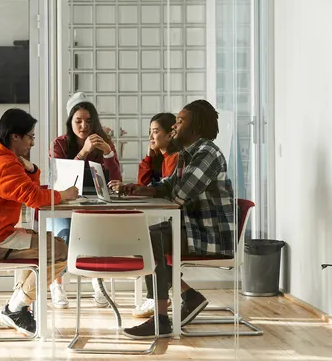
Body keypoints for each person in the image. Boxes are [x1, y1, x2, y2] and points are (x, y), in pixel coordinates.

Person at [110, 99, 236, 338]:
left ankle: (161, 319)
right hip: (191, 227)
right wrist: (137, 189)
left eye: (179, 122)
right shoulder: (190, 154)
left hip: (208, 234)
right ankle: (187, 298)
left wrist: (158, 190)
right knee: (146, 239)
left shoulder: (207, 154)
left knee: (148, 241)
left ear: (195, 128)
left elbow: (180, 195)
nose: (175, 127)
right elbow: (168, 185)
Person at [0, 108, 79, 336]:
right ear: (15, 136)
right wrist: (64, 195)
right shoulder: (5, 166)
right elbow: (34, 199)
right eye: (30, 136)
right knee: (62, 251)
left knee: (48, 245)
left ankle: (16, 306)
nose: (32, 143)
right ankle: (15, 308)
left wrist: (32, 169)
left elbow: (28, 190)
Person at [48, 101, 122, 308]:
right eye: (78, 121)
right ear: (70, 122)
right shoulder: (60, 144)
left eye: (89, 121)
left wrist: (108, 153)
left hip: (94, 202)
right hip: (64, 201)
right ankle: (57, 284)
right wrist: (83, 153)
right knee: (63, 232)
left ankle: (97, 281)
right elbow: (62, 180)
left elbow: (115, 181)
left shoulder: (104, 143)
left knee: (96, 232)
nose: (84, 126)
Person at [138, 112, 179, 187]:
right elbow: (142, 184)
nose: (150, 137)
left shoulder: (175, 158)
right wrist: (148, 158)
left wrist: (127, 188)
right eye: (150, 132)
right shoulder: (163, 159)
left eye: (155, 132)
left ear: (169, 135)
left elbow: (165, 189)